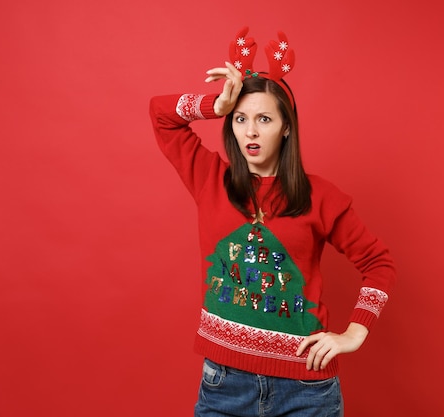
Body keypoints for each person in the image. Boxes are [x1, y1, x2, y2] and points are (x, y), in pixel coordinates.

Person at [149, 27, 396, 417]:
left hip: (305, 389)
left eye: (264, 118)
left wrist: (355, 331)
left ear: (286, 127)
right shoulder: (209, 178)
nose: (250, 131)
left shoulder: (322, 196)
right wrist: (216, 103)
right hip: (223, 385)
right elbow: (160, 113)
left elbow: (378, 264)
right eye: (240, 119)